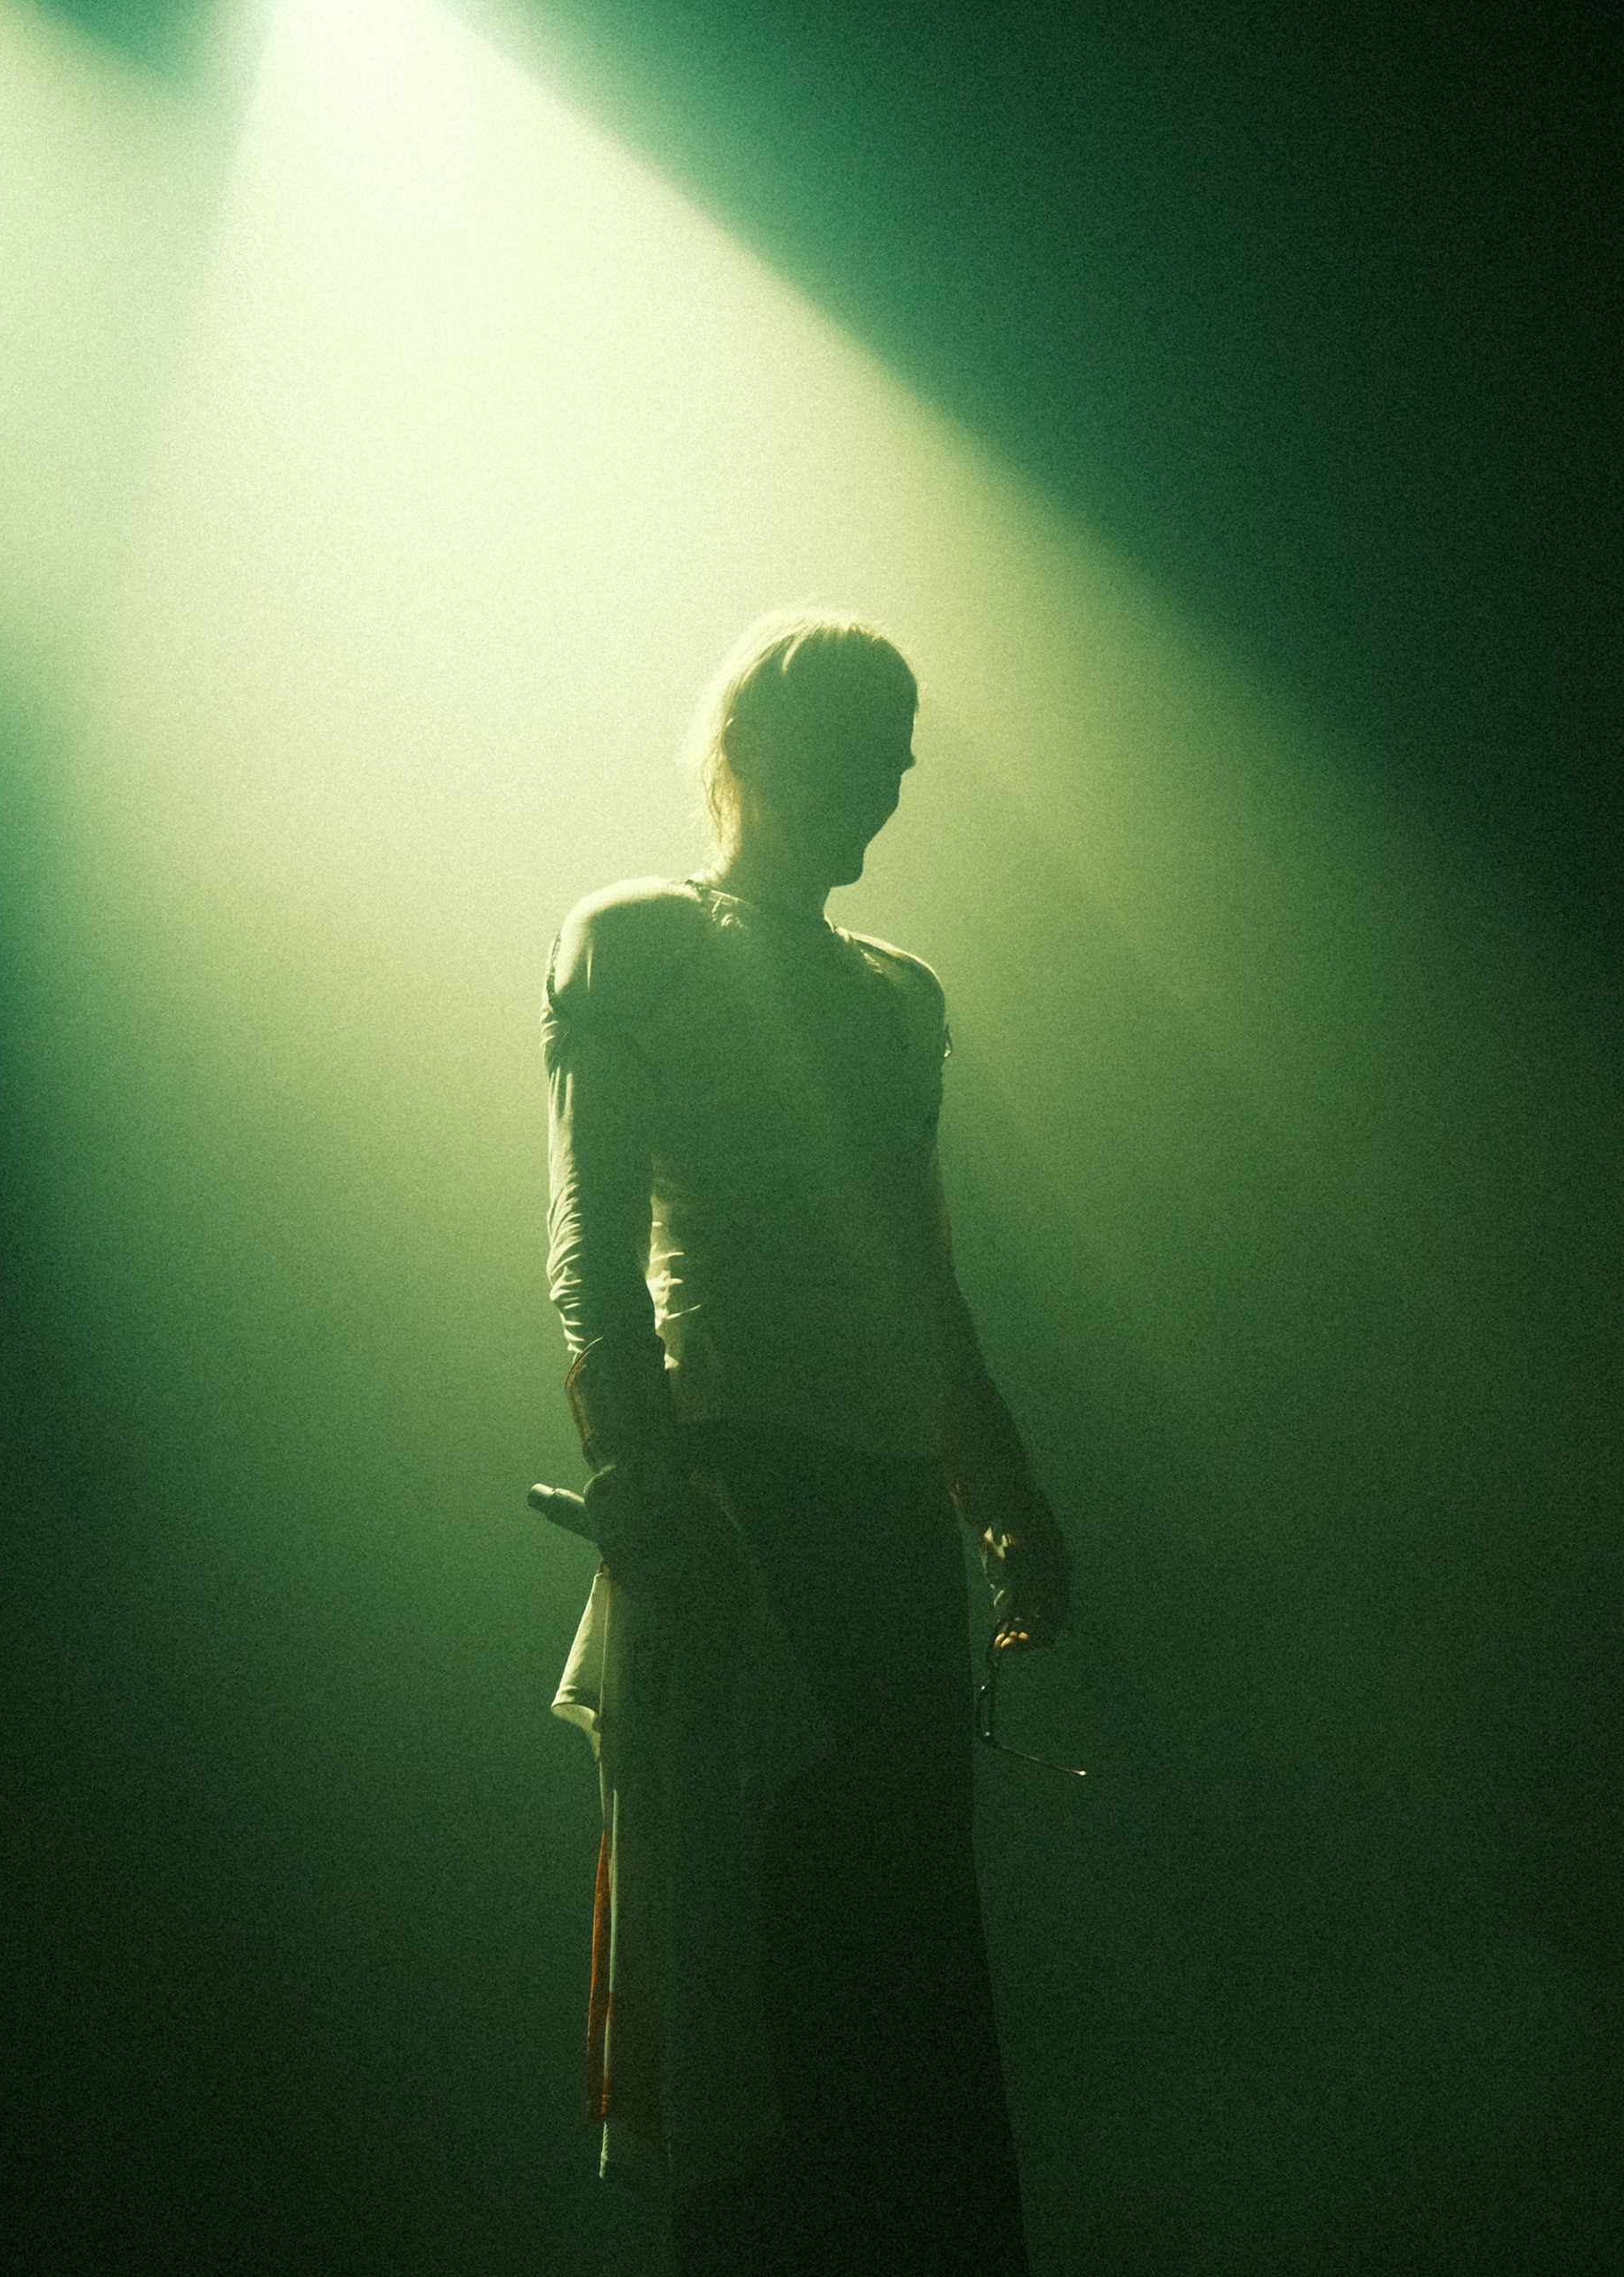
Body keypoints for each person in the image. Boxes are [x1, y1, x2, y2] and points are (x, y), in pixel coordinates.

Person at [543, 607, 1071, 2275]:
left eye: (902, 762)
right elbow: (589, 1258)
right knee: (758, 1971)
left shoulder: (900, 999)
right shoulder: (638, 940)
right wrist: (645, 1483)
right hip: (739, 1509)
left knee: (902, 1957)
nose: (890, 791)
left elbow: (920, 1274)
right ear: (758, 749)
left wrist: (998, 1487)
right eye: (864, 754)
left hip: (880, 1515)